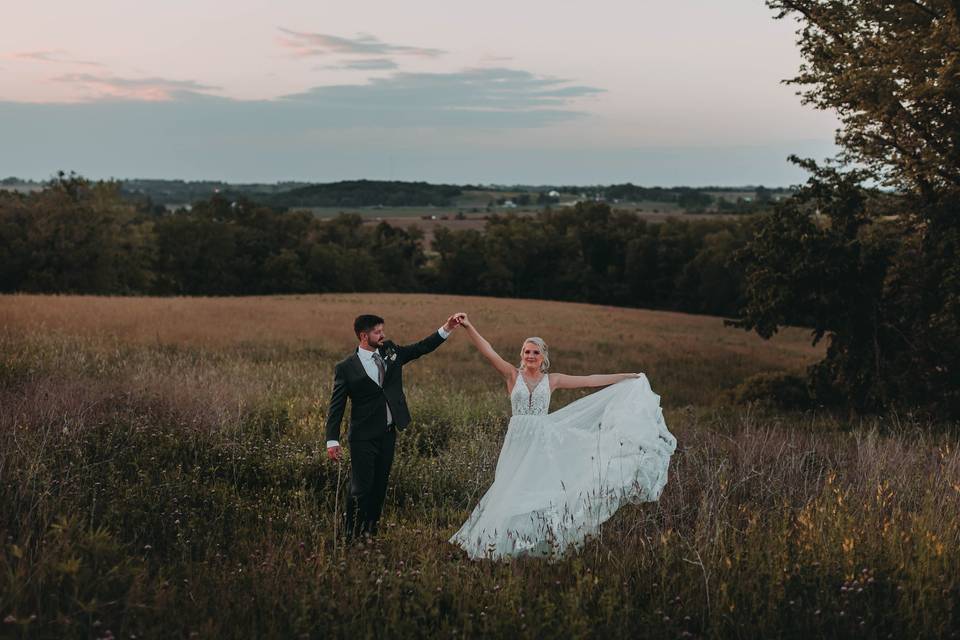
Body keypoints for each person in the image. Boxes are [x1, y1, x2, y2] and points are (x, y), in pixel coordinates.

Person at [449, 313, 676, 560]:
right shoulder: (512, 375)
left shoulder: (552, 380)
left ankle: (538, 543)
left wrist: (626, 377)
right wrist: (469, 326)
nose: (530, 356)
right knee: (509, 486)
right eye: (526, 352)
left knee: (537, 488)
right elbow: (489, 351)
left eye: (535, 352)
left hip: (541, 442)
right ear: (521, 355)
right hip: (517, 441)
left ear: (543, 357)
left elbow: (589, 381)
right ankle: (498, 544)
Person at [327, 312, 462, 540]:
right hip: (362, 437)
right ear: (363, 335)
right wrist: (332, 440)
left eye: (382, 330)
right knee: (360, 488)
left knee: (380, 487)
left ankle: (370, 532)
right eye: (377, 332)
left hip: (388, 434)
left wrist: (447, 328)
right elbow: (336, 406)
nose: (383, 335)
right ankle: (350, 535)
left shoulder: (390, 351)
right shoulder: (346, 367)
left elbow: (420, 348)